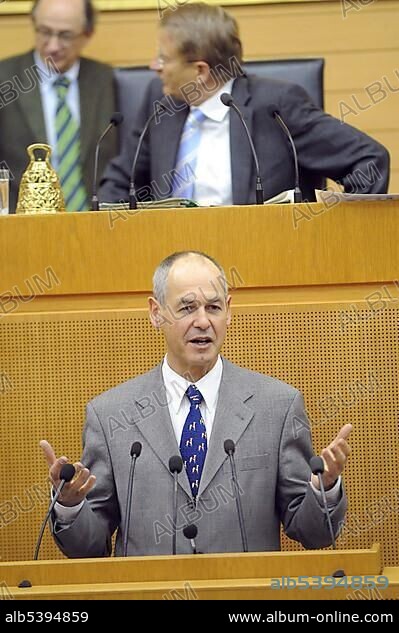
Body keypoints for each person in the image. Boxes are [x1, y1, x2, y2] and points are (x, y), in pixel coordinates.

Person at [41, 250, 352, 557]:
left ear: (229, 312)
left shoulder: (278, 407)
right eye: (187, 308)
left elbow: (313, 534)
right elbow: (88, 548)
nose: (203, 321)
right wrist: (70, 504)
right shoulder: (110, 414)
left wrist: (323, 489)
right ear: (156, 312)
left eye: (213, 307)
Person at [99, 2, 389, 207]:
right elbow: (120, 184)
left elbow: (369, 161)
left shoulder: (277, 105)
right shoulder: (160, 101)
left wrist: (335, 235)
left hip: (259, 262)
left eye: (163, 58)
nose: (154, 66)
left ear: (200, 71)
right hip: (170, 270)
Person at [0, 0, 118, 213]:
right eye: (44, 32)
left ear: (87, 34)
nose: (53, 46)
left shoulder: (106, 81)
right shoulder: (5, 80)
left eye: (65, 35)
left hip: (97, 226)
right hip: (20, 226)